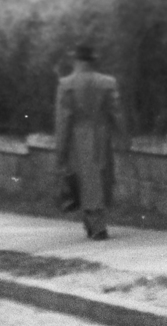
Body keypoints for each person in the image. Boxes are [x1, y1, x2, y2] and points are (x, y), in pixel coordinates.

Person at [54, 43, 126, 241]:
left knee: (84, 178)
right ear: (93, 61)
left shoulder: (66, 84)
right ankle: (95, 220)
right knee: (100, 176)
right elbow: (116, 112)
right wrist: (123, 137)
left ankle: (95, 223)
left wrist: (61, 149)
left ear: (76, 60)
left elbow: (63, 119)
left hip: (77, 136)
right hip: (102, 133)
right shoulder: (107, 82)